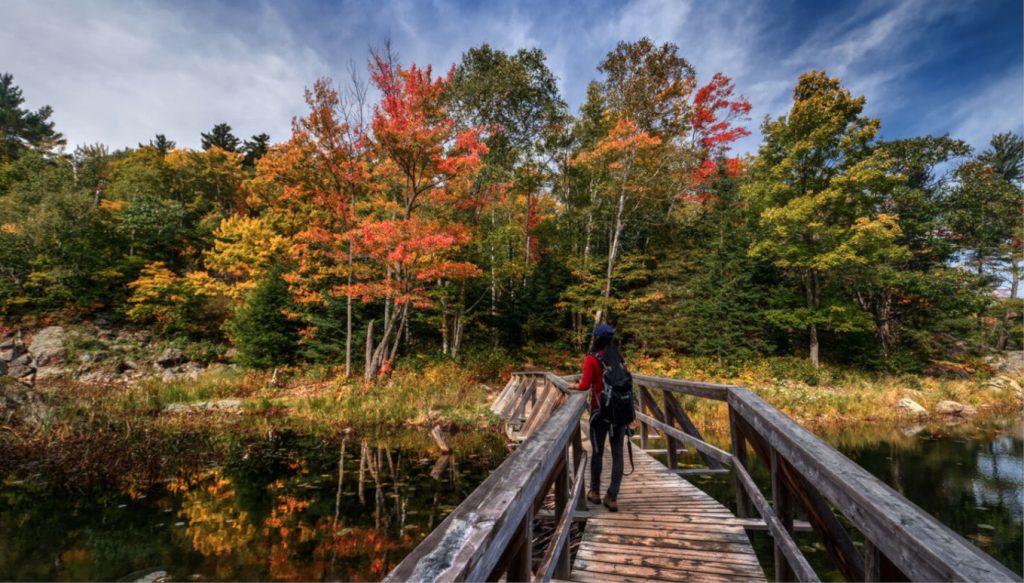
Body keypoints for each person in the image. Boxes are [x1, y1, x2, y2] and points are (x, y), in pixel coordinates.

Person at [569, 323, 625, 512]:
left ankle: (594, 491)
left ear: (597, 339)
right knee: (618, 453)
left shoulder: (592, 359)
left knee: (598, 451)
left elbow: (585, 385)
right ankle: (612, 496)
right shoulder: (618, 358)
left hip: (600, 412)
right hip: (619, 413)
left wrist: (574, 386)